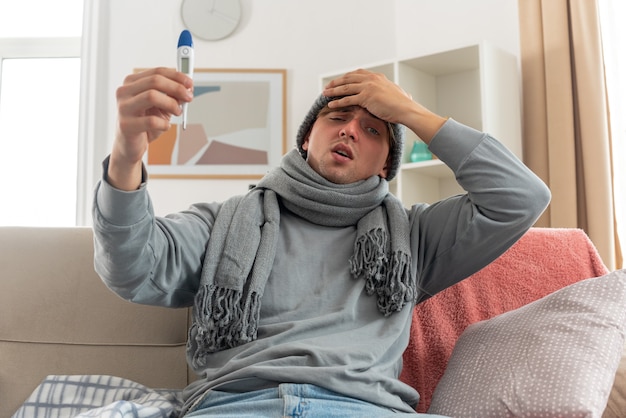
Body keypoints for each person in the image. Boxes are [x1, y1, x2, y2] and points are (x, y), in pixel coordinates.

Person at [92, 67, 551, 417]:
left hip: (365, 408)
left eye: (374, 129)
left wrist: (411, 113)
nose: (351, 129)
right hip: (239, 407)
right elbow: (133, 267)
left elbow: (521, 198)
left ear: (386, 164)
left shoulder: (412, 238)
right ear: (308, 136)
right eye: (337, 117)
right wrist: (128, 150)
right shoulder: (223, 223)